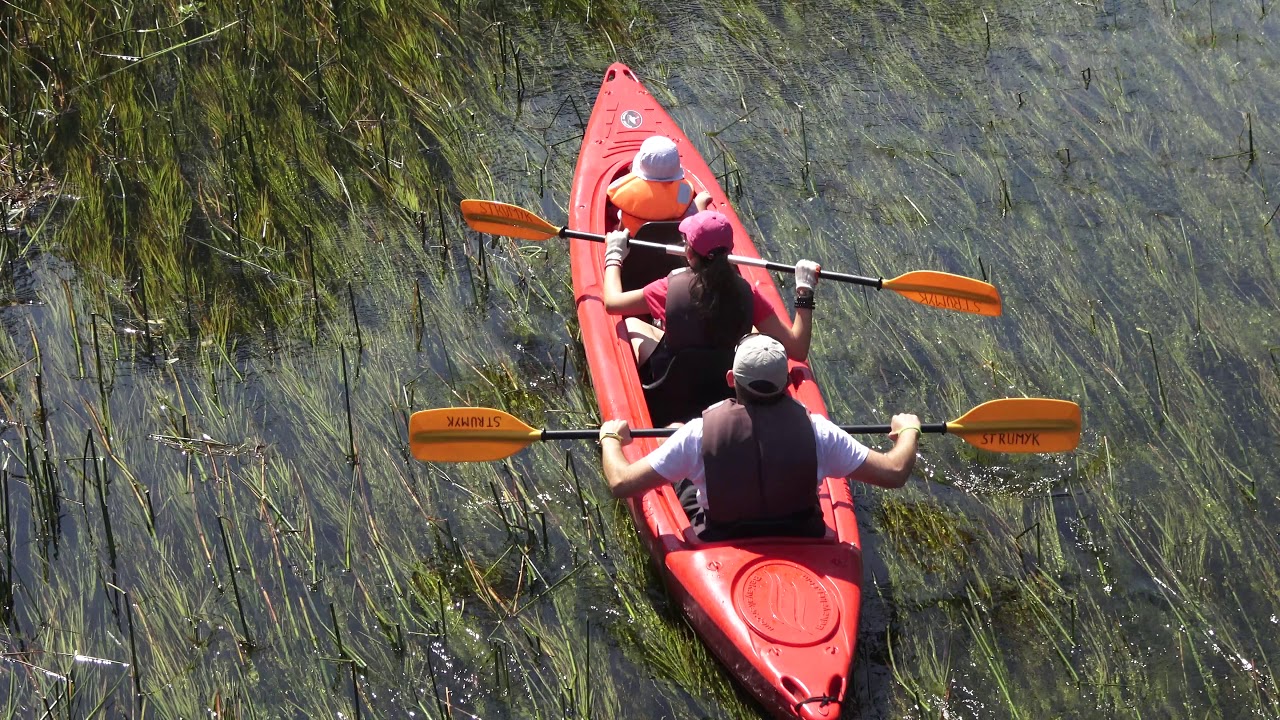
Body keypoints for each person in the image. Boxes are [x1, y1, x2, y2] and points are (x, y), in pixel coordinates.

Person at [598, 334, 920, 541]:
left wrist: (611, 439)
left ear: (730, 379)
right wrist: (908, 431)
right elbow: (894, 472)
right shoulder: (819, 431)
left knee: (672, 432)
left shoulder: (697, 433)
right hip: (800, 534)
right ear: (785, 384)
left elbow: (621, 482)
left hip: (718, 537)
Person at [601, 209, 820, 383]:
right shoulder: (747, 294)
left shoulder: (668, 288)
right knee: (754, 331)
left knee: (631, 323)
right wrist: (804, 290)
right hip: (724, 383)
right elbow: (798, 349)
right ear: (729, 251)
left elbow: (612, 303)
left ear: (688, 253)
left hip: (673, 384)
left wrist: (614, 255)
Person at [606, 135, 712, 234]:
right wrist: (700, 204)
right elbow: (693, 221)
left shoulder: (627, 191)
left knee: (617, 224)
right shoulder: (683, 193)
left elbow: (622, 227)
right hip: (668, 241)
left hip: (635, 242)